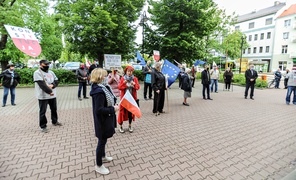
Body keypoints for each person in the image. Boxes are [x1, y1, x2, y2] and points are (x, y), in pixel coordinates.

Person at [89, 68, 119, 175]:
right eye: (105, 76)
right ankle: (98, 165)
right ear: (99, 77)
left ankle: (103, 156)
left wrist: (114, 104)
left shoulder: (104, 87)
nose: (107, 77)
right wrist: (113, 109)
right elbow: (99, 110)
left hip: (106, 118)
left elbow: (110, 99)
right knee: (101, 141)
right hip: (102, 120)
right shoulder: (98, 91)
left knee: (104, 138)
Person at [33, 60, 62, 133]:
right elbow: (42, 84)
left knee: (54, 109)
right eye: (45, 64)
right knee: (43, 111)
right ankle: (43, 126)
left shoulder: (51, 72)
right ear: (40, 64)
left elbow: (56, 80)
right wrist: (49, 91)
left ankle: (55, 121)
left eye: (48, 64)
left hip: (52, 95)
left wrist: (53, 85)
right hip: (43, 96)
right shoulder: (37, 73)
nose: (47, 65)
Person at [118, 66, 140, 133]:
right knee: (122, 112)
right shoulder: (123, 78)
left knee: (131, 112)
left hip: (132, 99)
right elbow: (119, 87)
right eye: (128, 71)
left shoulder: (135, 79)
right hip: (124, 99)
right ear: (126, 72)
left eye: (131, 71)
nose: (129, 73)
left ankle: (130, 126)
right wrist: (124, 83)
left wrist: (134, 84)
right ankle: (121, 126)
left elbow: (138, 87)